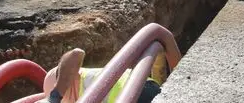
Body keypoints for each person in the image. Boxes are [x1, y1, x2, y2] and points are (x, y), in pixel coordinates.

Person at [39, 48, 167, 102]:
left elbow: (76, 53)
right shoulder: (88, 79)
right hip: (146, 86)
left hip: (137, 96)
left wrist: (55, 96)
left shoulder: (78, 81)